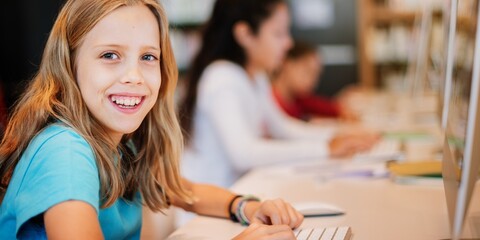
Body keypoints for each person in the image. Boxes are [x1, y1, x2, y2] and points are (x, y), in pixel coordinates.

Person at [0, 0, 304, 239]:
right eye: (110, 55)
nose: (133, 77)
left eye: (148, 57)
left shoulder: (119, 146)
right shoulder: (64, 150)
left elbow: (185, 192)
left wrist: (248, 206)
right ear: (70, 64)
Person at [178, 0, 376, 188]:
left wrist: (339, 136)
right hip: (212, 212)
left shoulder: (255, 76)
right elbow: (244, 154)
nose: (288, 43)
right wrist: (326, 149)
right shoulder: (222, 78)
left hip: (242, 195)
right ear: (244, 34)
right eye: (278, 34)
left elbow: (283, 128)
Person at [272, 41, 358, 121]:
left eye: (317, 75)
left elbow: (320, 106)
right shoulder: (271, 101)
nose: (313, 81)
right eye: (308, 71)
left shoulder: (297, 100)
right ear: (287, 64)